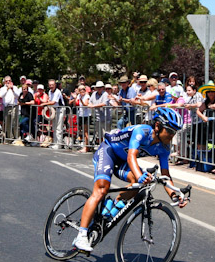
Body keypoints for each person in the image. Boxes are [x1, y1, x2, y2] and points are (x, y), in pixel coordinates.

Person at [72, 108, 187, 252]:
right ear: (157, 126)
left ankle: (112, 207)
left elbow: (165, 174)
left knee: (140, 185)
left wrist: (175, 194)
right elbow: (131, 156)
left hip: (122, 161)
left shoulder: (164, 147)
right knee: (102, 189)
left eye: (174, 132)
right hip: (108, 151)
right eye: (169, 131)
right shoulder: (142, 131)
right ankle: (81, 236)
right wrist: (140, 176)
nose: (171, 135)